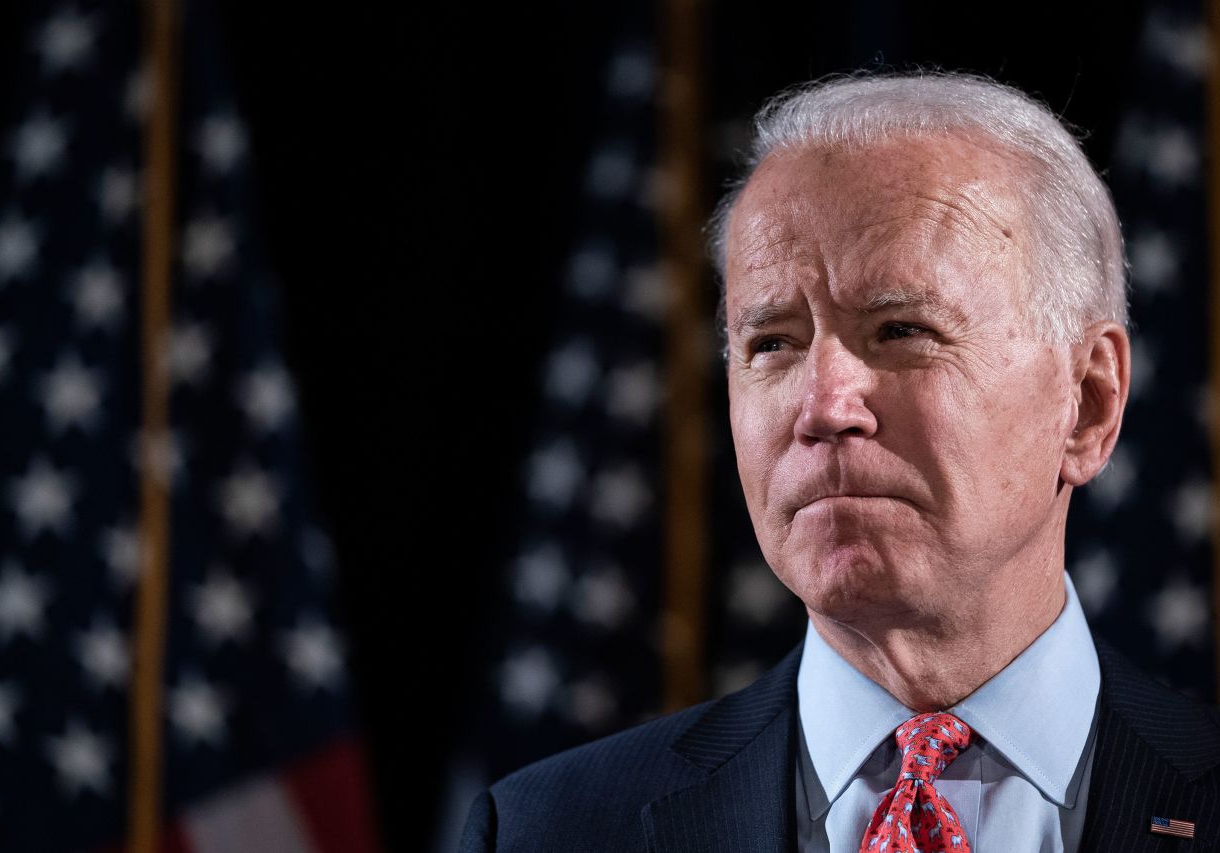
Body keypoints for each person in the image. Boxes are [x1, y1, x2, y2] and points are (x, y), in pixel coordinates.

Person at [460, 72, 1219, 852]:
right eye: (773, 343)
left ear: (1087, 403)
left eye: (900, 330)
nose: (823, 406)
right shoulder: (542, 830)